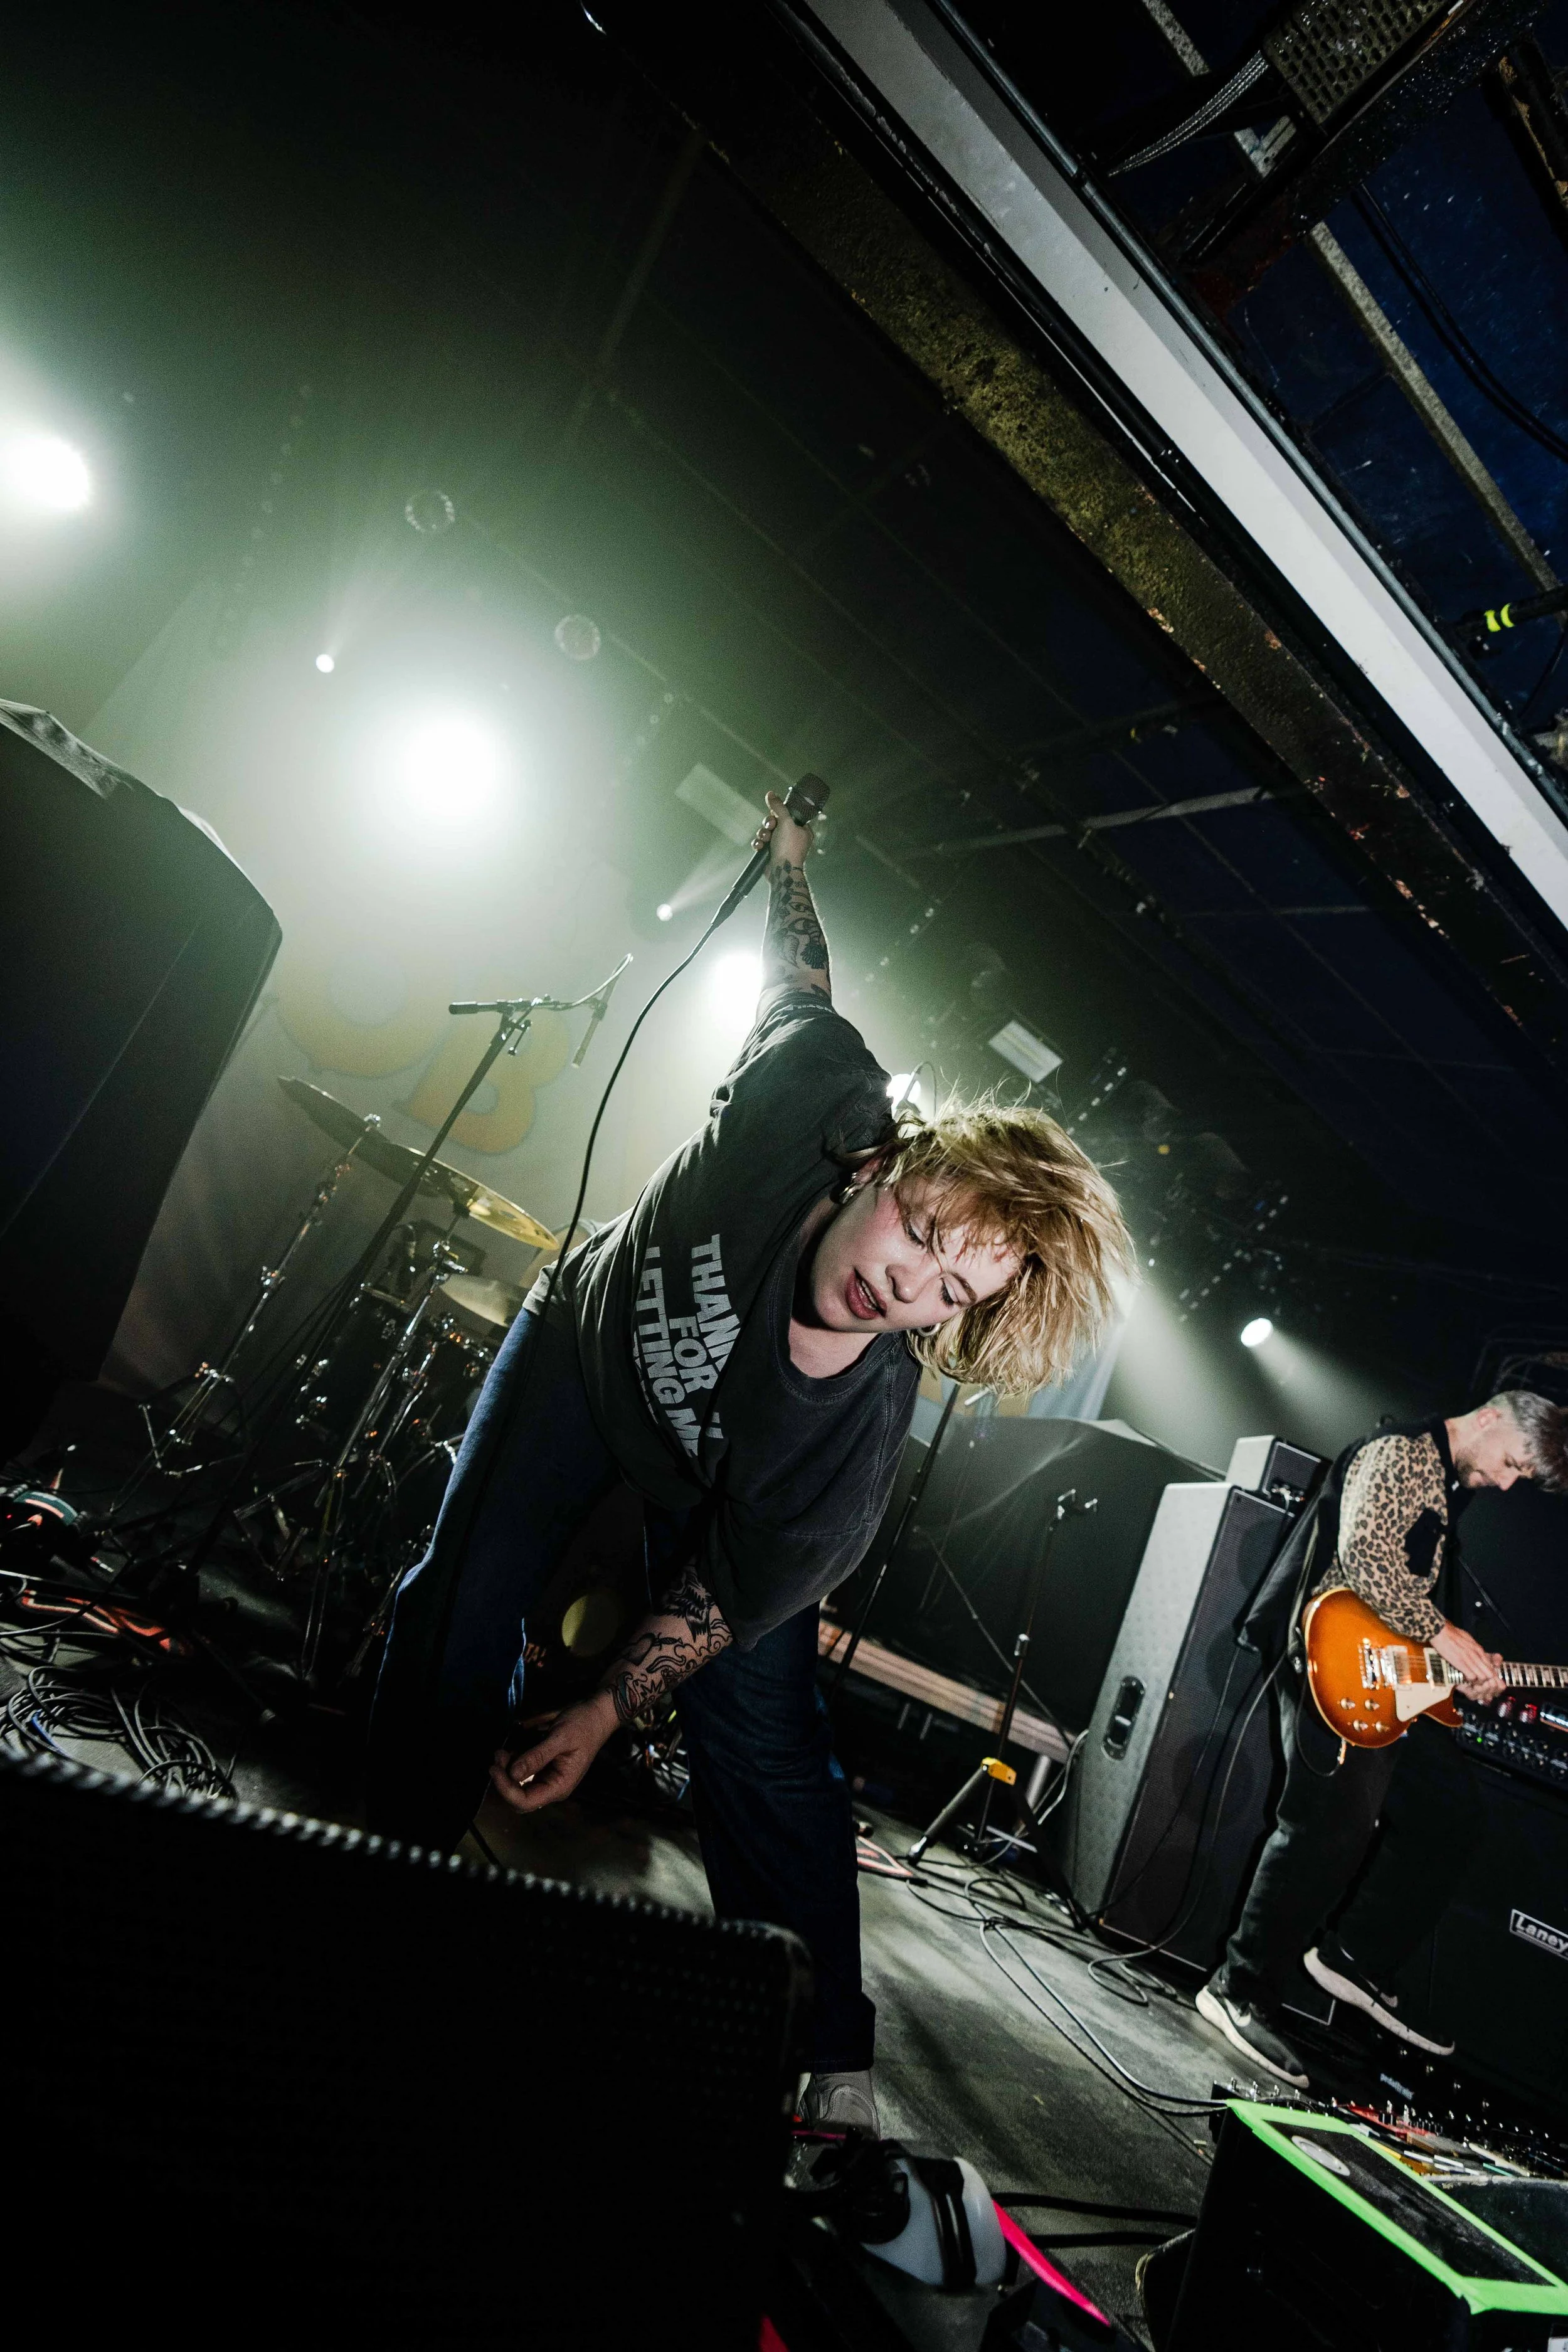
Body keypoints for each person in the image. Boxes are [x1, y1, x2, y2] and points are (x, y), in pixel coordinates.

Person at [366, 788, 1131, 2135]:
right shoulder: (802, 1097)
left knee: (762, 1732)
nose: (910, 1285)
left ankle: (815, 2053)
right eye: (921, 1233)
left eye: (952, 1288)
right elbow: (796, 969)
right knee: (457, 1596)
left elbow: (718, 1598)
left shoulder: (847, 1446)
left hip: (710, 1489)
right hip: (584, 1351)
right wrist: (787, 861)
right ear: (880, 1165)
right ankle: (378, 1873)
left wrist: (604, 1710)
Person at [1197, 1392, 1568, 2088]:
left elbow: (1410, 1596)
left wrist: (1463, 1670)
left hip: (1389, 1679)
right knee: (1323, 1830)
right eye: (1513, 1464)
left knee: (1450, 1815)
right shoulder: (1402, 1452)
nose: (1508, 1482)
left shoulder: (1449, 1485)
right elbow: (1363, 1558)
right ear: (1490, 1418)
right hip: (1329, 1659)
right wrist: (1446, 1637)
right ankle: (1237, 1989)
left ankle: (1354, 1956)